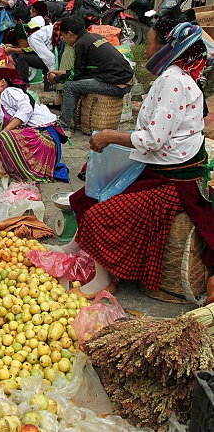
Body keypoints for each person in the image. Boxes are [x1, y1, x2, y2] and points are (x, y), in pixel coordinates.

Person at [70, 20, 214, 295]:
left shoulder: (173, 81)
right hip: (159, 166)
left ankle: (105, 280)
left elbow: (153, 139)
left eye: (148, 42)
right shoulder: (172, 77)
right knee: (90, 192)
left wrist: (111, 136)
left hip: (175, 181)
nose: (145, 48)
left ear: (166, 47)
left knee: (104, 213)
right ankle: (77, 249)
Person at [0, 66, 69, 182]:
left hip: (45, 135)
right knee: (1, 127)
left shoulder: (9, 92)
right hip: (46, 137)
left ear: (2, 82)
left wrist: (5, 131)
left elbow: (26, 108)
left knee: (4, 136)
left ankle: (28, 171)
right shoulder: (4, 101)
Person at [48, 16, 134, 131]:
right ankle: (73, 119)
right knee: (75, 84)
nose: (64, 40)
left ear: (69, 33)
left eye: (63, 36)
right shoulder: (93, 37)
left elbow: (75, 75)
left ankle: (63, 126)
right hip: (124, 80)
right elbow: (82, 71)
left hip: (117, 85)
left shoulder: (80, 44)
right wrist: (58, 72)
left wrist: (56, 79)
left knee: (69, 86)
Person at [4, 22, 57, 86]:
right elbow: (26, 50)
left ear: (20, 41)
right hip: (49, 54)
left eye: (19, 45)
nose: (21, 47)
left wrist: (52, 73)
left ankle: (23, 84)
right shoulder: (32, 35)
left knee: (22, 58)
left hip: (52, 60)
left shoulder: (32, 39)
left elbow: (50, 58)